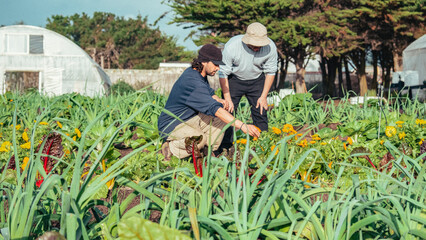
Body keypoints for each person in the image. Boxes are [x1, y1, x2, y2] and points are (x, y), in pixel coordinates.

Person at [158, 44, 260, 165]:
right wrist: (243, 126)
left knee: (222, 118)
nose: (218, 68)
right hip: (172, 124)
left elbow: (209, 94)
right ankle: (170, 149)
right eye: (216, 64)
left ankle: (206, 152)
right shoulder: (192, 81)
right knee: (199, 139)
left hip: (190, 119)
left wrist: (219, 99)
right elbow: (214, 109)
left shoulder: (198, 74)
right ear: (204, 61)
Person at [218, 22, 278, 150]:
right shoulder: (232, 46)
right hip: (234, 80)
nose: (257, 47)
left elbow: (271, 71)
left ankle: (262, 145)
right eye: (254, 45)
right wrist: (227, 98)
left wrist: (263, 96)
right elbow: (223, 73)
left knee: (261, 111)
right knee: (228, 111)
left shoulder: (270, 47)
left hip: (257, 80)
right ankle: (225, 147)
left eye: (260, 45)